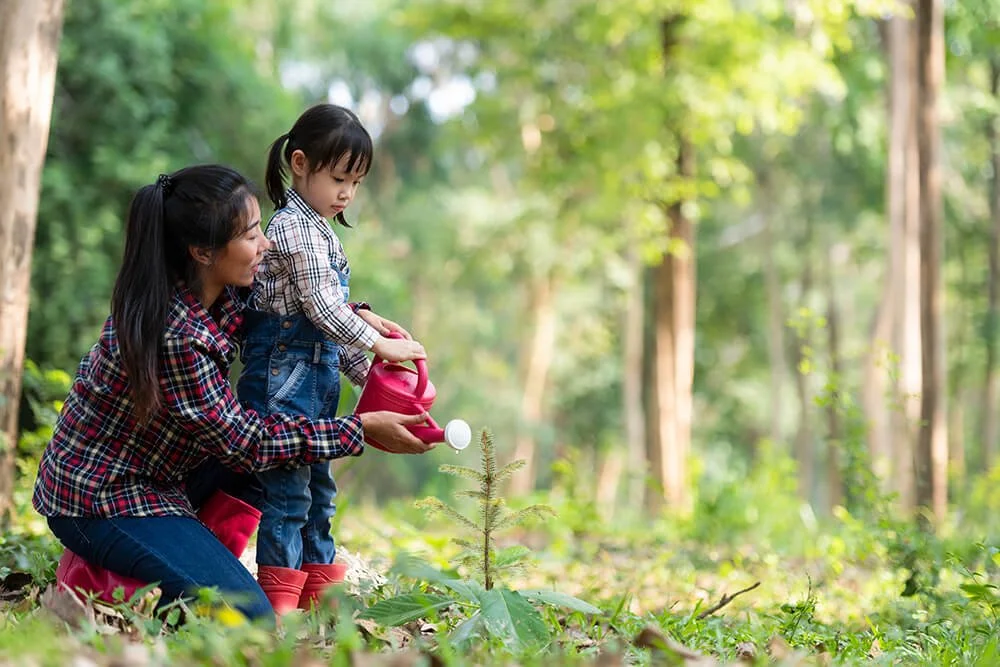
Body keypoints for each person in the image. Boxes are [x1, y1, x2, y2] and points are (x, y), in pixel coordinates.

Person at [32, 165, 434, 626]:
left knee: (271, 463)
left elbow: (296, 313)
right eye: (250, 234)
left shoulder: (227, 295)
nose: (266, 244)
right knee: (249, 618)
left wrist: (360, 320)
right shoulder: (178, 334)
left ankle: (174, 557)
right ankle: (111, 573)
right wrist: (358, 431)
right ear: (202, 251)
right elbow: (248, 443)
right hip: (101, 497)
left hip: (164, 475)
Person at [236, 103, 423, 613]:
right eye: (339, 178)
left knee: (321, 493)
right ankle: (279, 603)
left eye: (356, 183)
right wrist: (378, 343)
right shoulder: (294, 228)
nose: (347, 193)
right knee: (288, 495)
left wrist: (373, 376)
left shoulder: (321, 229)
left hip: (313, 380)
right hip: (282, 380)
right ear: (300, 163)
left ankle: (320, 596)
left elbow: (328, 330)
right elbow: (321, 310)